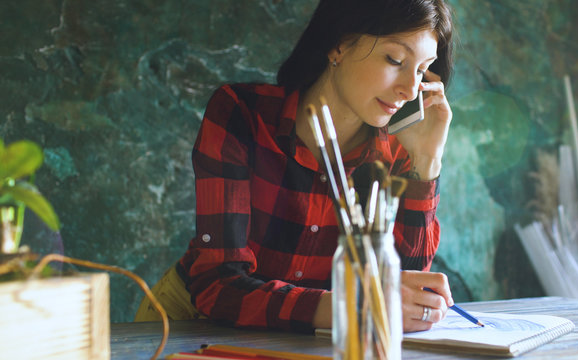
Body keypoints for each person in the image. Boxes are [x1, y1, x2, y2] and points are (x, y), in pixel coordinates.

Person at [135, 0, 456, 334]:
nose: (407, 89)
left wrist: (427, 160)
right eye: (395, 60)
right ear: (339, 45)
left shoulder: (401, 150)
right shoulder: (241, 114)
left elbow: (404, 291)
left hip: (314, 333)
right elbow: (218, 284)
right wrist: (347, 306)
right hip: (190, 323)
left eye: (421, 70)